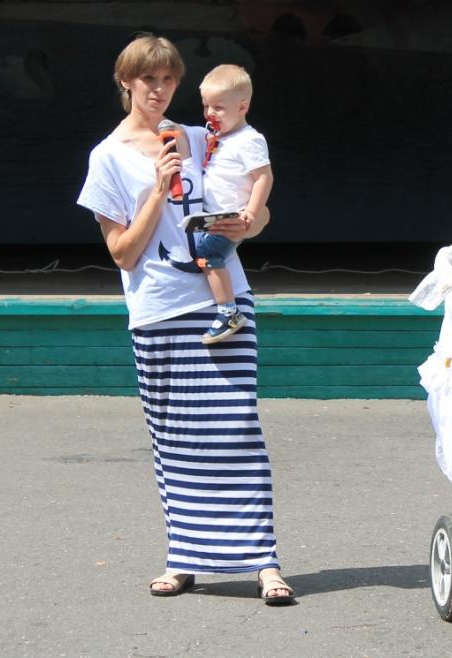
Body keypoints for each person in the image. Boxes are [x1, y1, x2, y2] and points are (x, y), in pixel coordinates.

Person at [75, 34, 293, 605]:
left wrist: (250, 222)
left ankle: (264, 562)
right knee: (174, 439)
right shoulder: (107, 157)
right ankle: (184, 558)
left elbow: (258, 206)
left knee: (237, 431)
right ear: (126, 82)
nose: (159, 89)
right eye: (148, 79)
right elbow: (122, 253)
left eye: (169, 79)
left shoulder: (202, 137)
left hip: (223, 301)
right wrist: (156, 190)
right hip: (157, 308)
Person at [194, 64, 274, 345]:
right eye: (206, 106)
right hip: (211, 217)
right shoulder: (216, 137)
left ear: (242, 107)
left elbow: (264, 177)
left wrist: (251, 212)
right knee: (200, 251)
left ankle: (228, 312)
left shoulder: (249, 140)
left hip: (231, 218)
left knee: (207, 255)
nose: (210, 113)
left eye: (218, 108)